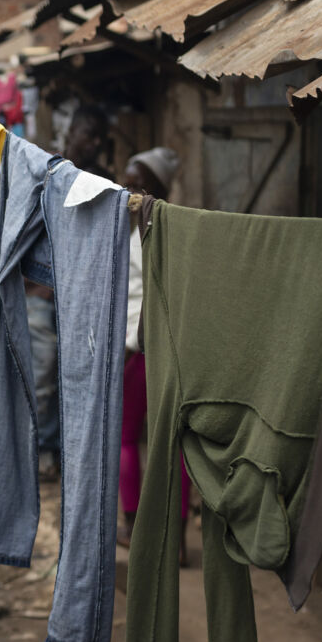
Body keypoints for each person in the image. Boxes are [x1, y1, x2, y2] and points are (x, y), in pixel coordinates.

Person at [26, 103, 113, 480]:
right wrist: (35, 283)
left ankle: (73, 456)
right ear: (72, 132)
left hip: (86, 299)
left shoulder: (106, 183)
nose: (92, 143)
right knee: (43, 379)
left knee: (80, 378)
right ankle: (45, 451)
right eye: (87, 135)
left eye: (98, 138)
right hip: (44, 295)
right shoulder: (49, 176)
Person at [118, 146, 190, 564]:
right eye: (127, 180)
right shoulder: (178, 230)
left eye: (138, 181)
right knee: (172, 444)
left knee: (128, 437)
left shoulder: (139, 232)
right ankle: (177, 543)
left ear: (156, 187)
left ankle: (131, 526)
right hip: (170, 349)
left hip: (137, 349)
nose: (130, 188)